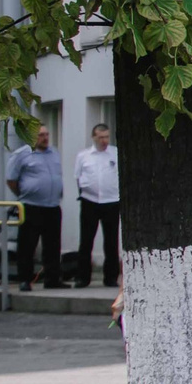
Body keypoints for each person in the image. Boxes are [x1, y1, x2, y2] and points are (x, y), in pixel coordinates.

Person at [6, 123, 63, 290]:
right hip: (31, 206)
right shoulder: (22, 154)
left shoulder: (54, 153)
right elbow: (11, 180)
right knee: (27, 245)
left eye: (46, 134)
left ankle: (52, 280)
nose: (45, 138)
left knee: (53, 246)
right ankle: (25, 279)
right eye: (40, 135)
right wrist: (26, 194)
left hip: (52, 206)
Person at [74, 122, 121, 286]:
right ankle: (82, 277)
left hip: (112, 201)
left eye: (106, 137)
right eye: (100, 137)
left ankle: (111, 277)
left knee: (111, 241)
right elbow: (78, 178)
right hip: (90, 201)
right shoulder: (84, 156)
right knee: (86, 241)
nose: (104, 140)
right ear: (94, 137)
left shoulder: (115, 153)